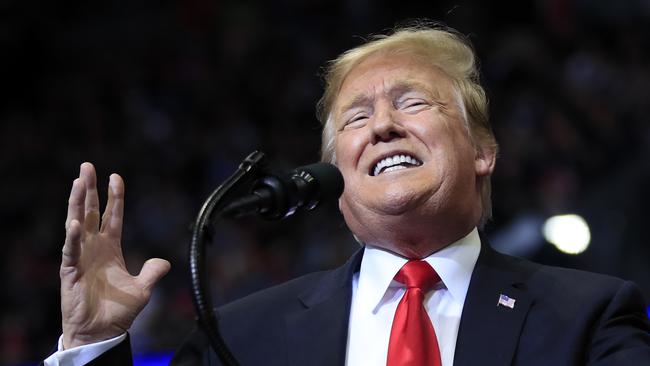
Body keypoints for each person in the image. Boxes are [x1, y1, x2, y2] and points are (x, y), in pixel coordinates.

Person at [44, 24, 650, 366]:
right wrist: (91, 345)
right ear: (336, 180)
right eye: (355, 119)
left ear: (482, 151)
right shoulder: (239, 337)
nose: (382, 125)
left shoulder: (589, 317)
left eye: (412, 102)